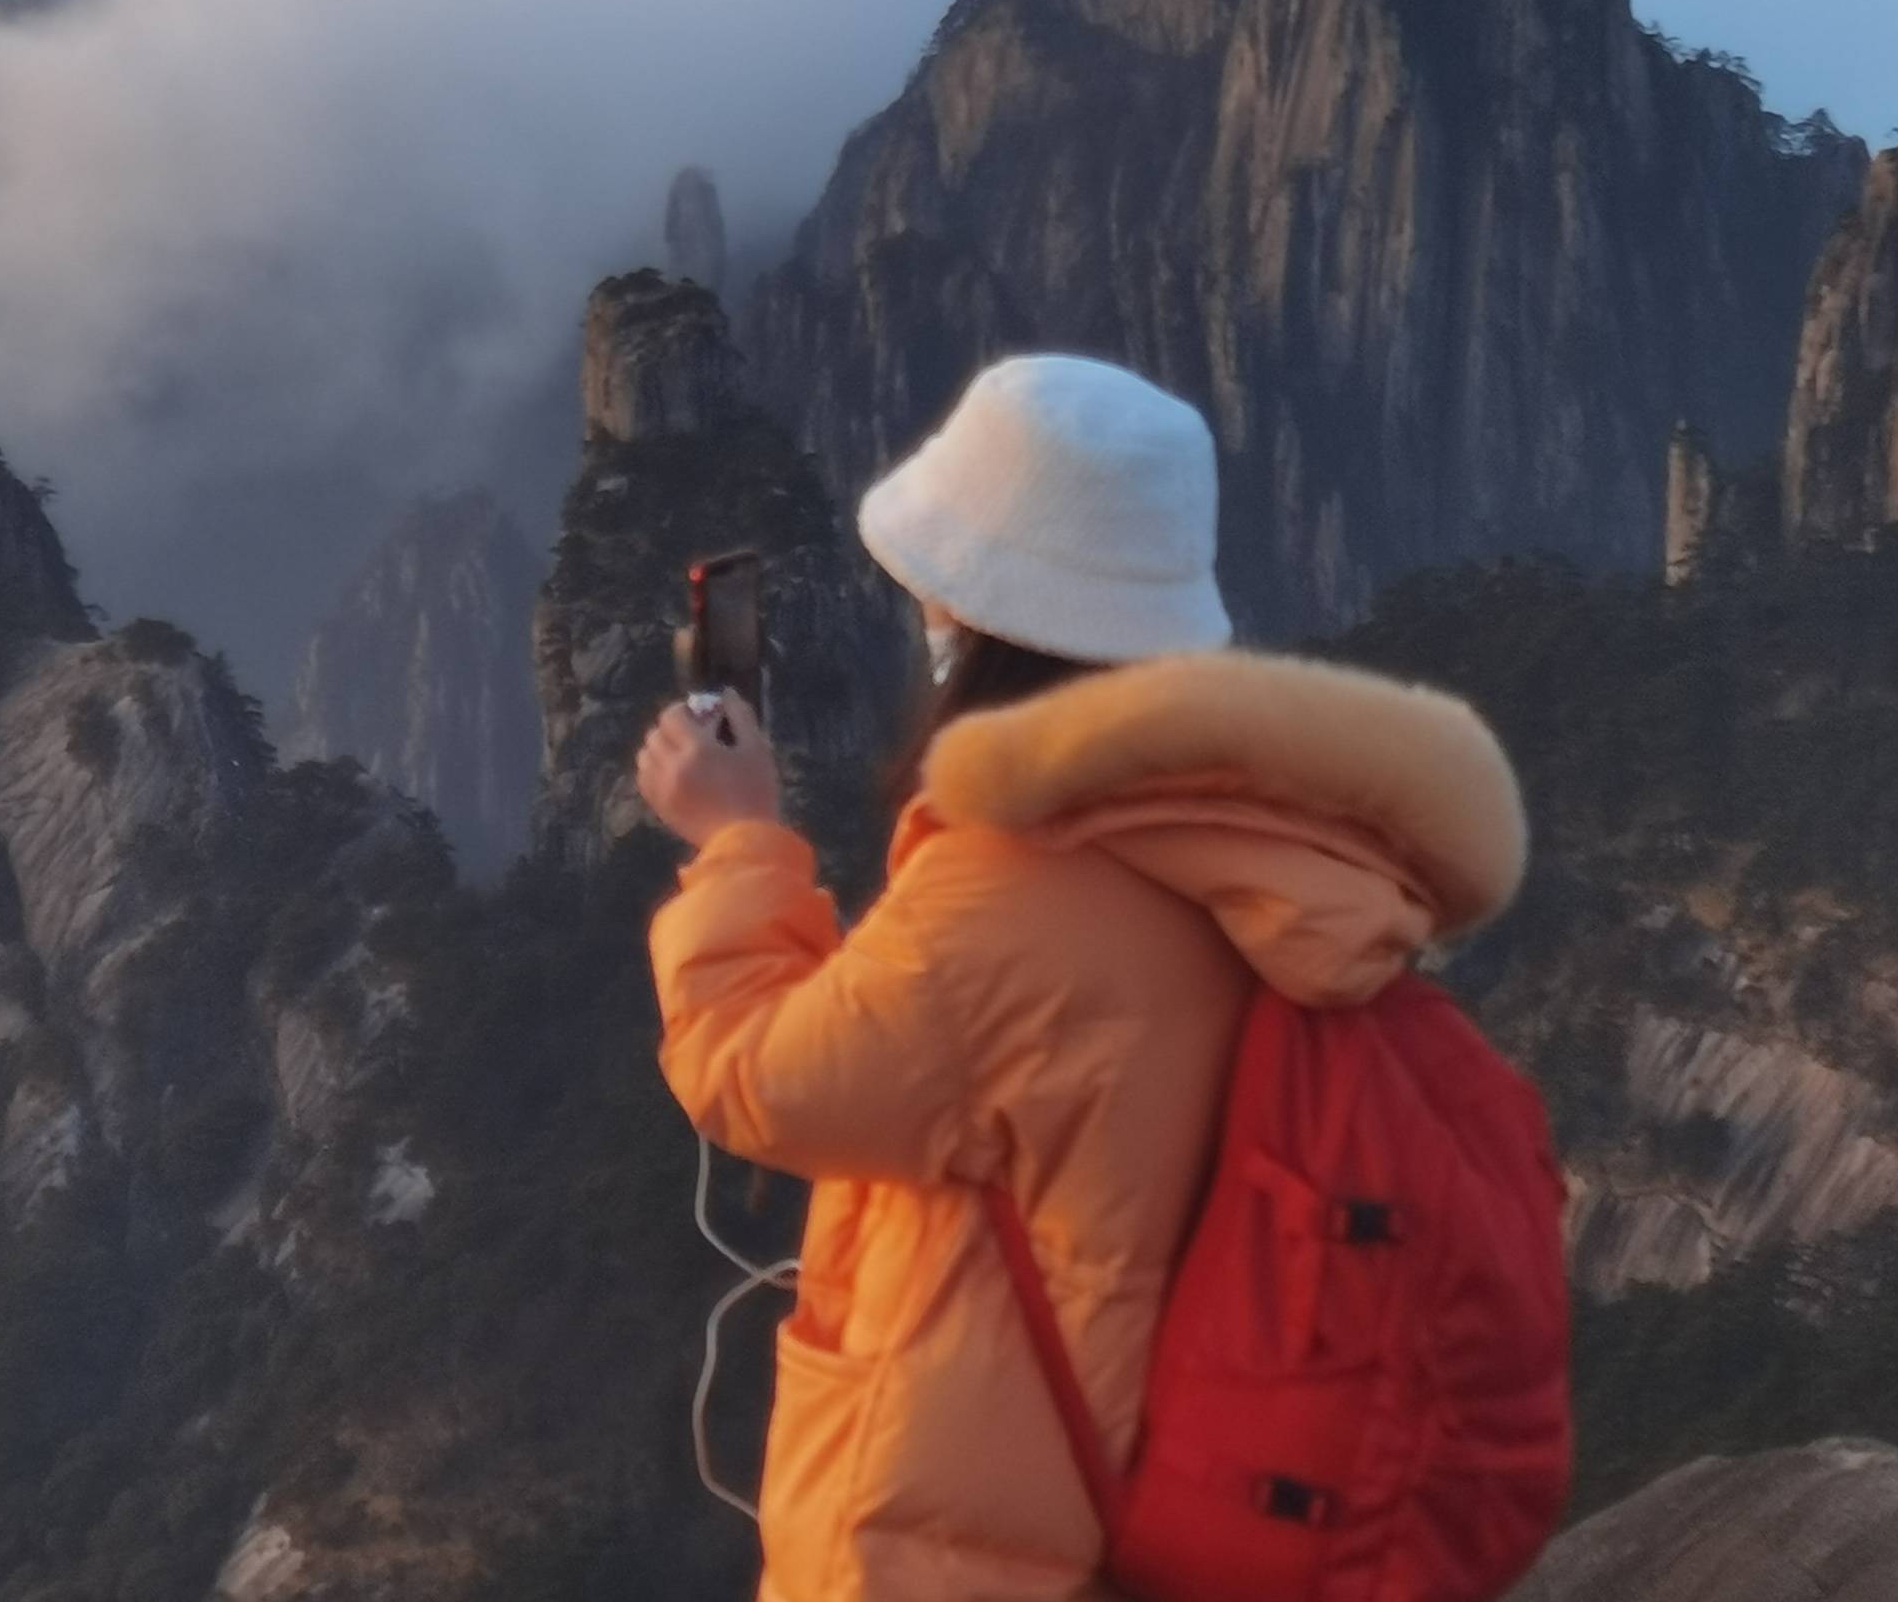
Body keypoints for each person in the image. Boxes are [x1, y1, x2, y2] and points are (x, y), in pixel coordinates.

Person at [635, 353, 1527, 1602]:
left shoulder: (1020, 884)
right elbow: (970, 1042)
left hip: (966, 1550)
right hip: (1149, 1513)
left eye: (935, 600)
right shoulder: (1245, 839)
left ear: (974, 624)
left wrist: (736, 843)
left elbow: (760, 1079)